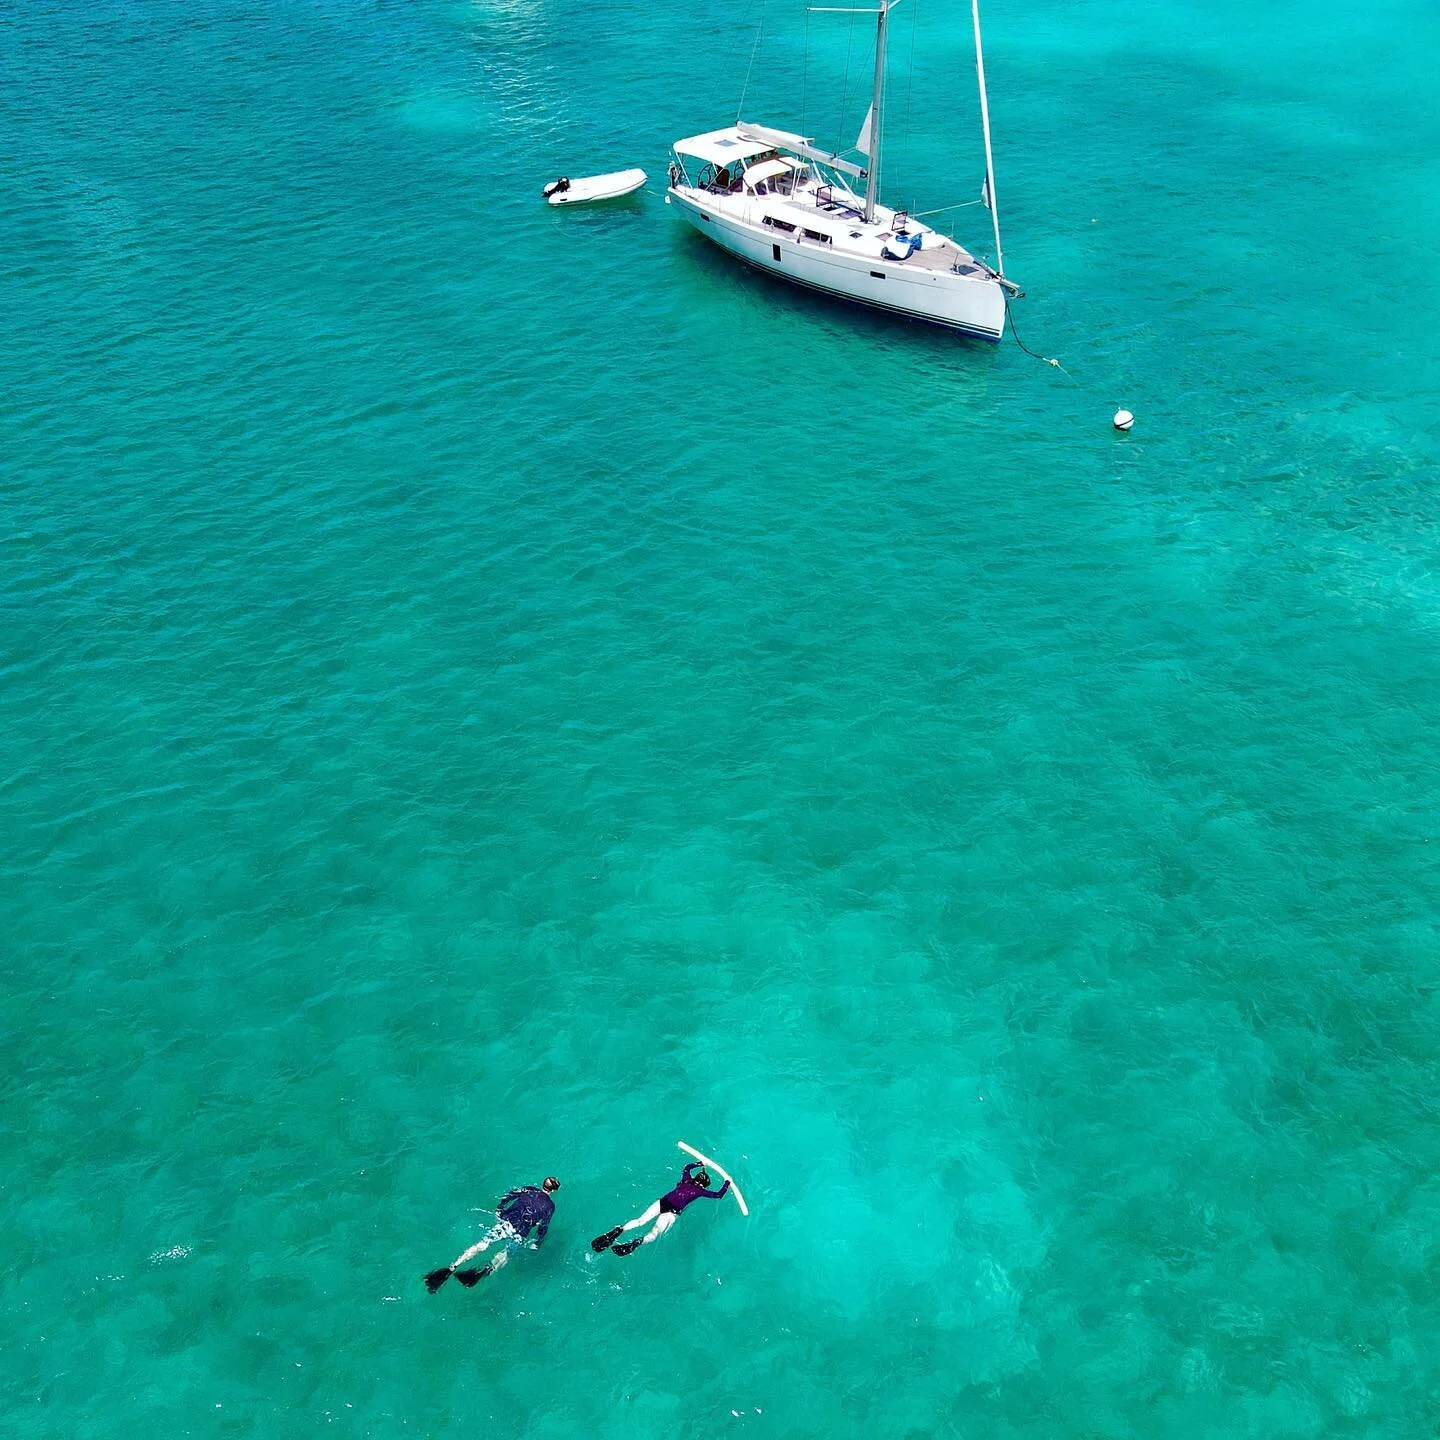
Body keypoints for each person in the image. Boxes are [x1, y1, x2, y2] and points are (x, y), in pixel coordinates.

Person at [424, 1177, 560, 1291]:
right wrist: (538, 1242)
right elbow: (544, 1226)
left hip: (506, 1223)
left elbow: (508, 1196)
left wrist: (499, 1209)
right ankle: (483, 1272)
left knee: (482, 1244)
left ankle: (451, 1268)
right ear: (554, 1190)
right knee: (507, 1253)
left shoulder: (528, 1189)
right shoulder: (550, 1206)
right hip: (521, 1232)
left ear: (543, 1184)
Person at [591, 1162, 729, 1257]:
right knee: (654, 1233)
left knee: (640, 1221)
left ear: (696, 1178)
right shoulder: (700, 1191)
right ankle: (636, 1243)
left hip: (663, 1202)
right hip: (672, 1212)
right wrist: (727, 1183)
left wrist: (699, 1163)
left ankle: (618, 1230)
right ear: (704, 1185)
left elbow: (687, 1168)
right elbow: (719, 1195)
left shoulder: (686, 1180)